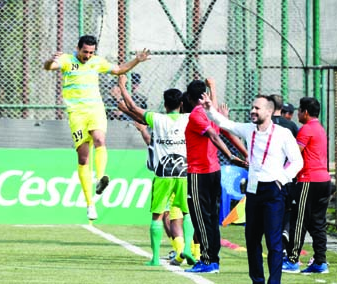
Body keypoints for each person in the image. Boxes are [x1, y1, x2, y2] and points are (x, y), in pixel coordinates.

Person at [43, 34, 150, 220]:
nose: (88, 55)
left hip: (95, 110)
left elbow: (118, 69)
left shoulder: (96, 62)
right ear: (78, 49)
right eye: (85, 52)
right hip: (76, 115)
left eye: (91, 52)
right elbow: (49, 67)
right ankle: (90, 204)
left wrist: (137, 60)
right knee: (83, 158)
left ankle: (101, 178)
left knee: (100, 140)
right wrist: (49, 60)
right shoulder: (67, 60)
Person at [201, 93, 303, 283]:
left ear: (269, 111)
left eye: (257, 108)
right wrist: (209, 109)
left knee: (273, 242)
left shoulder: (282, 134)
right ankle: (257, 280)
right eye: (252, 107)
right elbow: (226, 124)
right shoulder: (249, 129)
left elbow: (297, 161)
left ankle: (274, 281)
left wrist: (281, 179)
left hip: (274, 191)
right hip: (253, 191)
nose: (252, 111)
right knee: (252, 240)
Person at [113, 74, 196, 267]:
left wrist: (122, 87)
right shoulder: (188, 119)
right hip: (184, 173)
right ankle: (186, 249)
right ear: (182, 104)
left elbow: (134, 109)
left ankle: (156, 258)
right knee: (187, 213)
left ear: (165, 105)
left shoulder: (157, 119)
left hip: (163, 174)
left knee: (157, 215)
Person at [183, 79, 247, 274]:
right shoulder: (213, 114)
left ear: (189, 98)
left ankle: (208, 260)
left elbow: (214, 135)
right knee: (210, 217)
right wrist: (245, 154)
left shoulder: (196, 115)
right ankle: (213, 259)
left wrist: (231, 156)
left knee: (201, 218)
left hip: (199, 173)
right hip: (214, 171)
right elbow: (226, 132)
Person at [282, 97, 331, 274]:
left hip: (309, 181)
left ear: (306, 113)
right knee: (317, 223)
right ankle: (320, 262)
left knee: (298, 221)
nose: (298, 115)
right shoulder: (320, 128)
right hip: (324, 181)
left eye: (300, 111)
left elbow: (295, 155)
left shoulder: (306, 129)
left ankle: (292, 260)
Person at [269, 94, 298, 251]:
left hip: (269, 173)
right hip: (287, 173)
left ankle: (276, 237)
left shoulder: (265, 123)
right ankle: (285, 231)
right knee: (287, 206)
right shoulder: (291, 126)